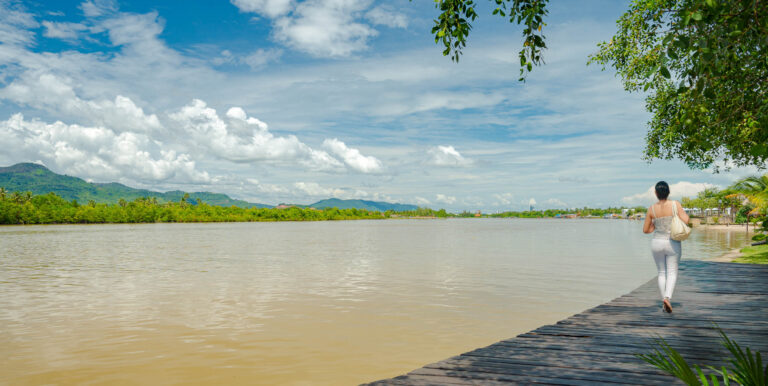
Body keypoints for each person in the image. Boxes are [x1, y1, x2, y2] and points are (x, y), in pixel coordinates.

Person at [642, 181, 689, 313]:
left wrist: (656, 225)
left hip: (657, 242)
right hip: (672, 242)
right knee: (672, 272)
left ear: (656, 193)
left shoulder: (651, 209)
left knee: (661, 272)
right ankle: (667, 298)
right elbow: (686, 220)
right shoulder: (675, 204)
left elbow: (646, 230)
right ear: (668, 192)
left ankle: (664, 302)